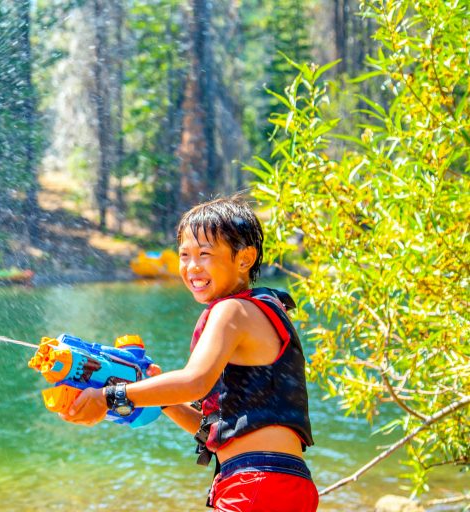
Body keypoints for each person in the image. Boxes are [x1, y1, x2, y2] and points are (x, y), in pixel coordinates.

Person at [62, 197, 318, 511]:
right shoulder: (259, 311)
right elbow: (212, 427)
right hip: (285, 482)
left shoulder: (231, 311)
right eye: (185, 255)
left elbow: (194, 381)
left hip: (255, 482)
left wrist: (109, 397)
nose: (192, 266)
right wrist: (163, 397)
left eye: (205, 254)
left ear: (245, 258)